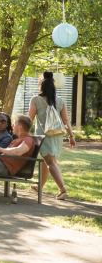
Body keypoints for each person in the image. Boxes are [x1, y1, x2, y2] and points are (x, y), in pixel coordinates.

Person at [28, 71, 75, 200]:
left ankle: (63, 190)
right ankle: (40, 187)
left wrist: (22, 132)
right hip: (57, 136)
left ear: (41, 85)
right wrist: (71, 136)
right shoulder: (60, 101)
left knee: (50, 162)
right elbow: (66, 121)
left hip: (43, 136)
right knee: (47, 161)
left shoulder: (36, 100)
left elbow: (29, 119)